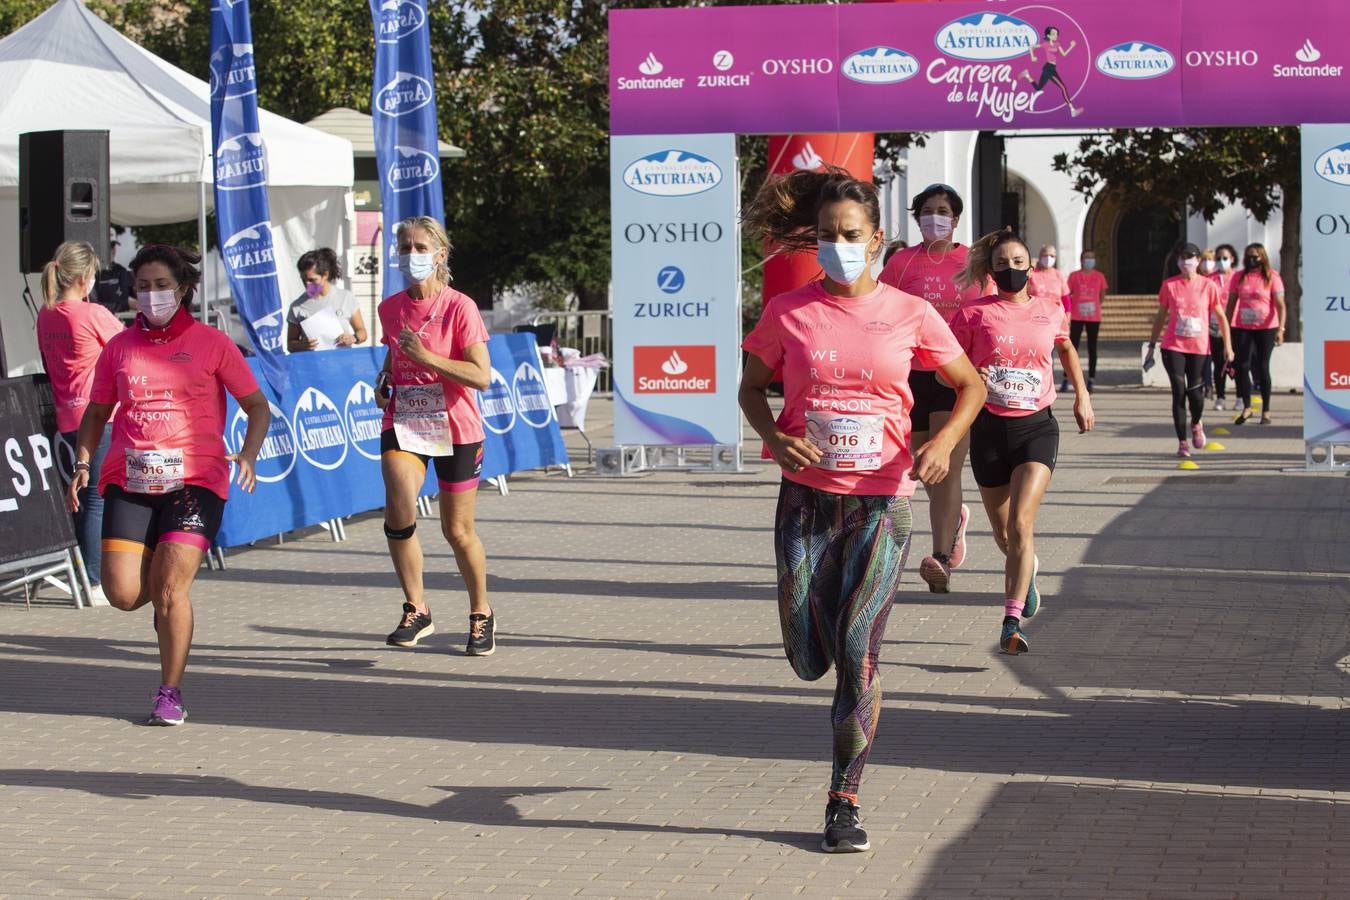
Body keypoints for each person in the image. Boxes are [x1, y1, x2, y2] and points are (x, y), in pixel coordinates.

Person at [739, 168, 986, 853]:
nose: (837, 245)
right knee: (806, 652)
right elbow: (751, 389)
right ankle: (819, 653)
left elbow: (969, 384)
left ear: (876, 240)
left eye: (850, 235)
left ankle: (843, 799)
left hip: (883, 502)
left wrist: (942, 440)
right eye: (826, 236)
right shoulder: (789, 311)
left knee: (858, 652)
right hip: (806, 504)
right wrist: (774, 435)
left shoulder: (910, 313)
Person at [67, 245, 271, 726]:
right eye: (143, 286)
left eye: (161, 286)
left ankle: (169, 691)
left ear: (182, 290)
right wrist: (82, 462)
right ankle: (158, 579)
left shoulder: (212, 343)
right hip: (131, 479)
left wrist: (248, 453)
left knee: (170, 592)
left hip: (195, 481)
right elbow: (97, 412)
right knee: (120, 593)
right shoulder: (118, 346)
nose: (151, 295)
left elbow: (257, 406)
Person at [947, 230, 1094, 656]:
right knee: (1004, 534)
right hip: (989, 431)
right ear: (990, 271)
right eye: (1001, 264)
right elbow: (948, 369)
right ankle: (1025, 574)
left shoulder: (1050, 310)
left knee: (1021, 524)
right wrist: (969, 380)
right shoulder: (972, 315)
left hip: (1036, 429)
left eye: (1018, 261)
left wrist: (1082, 396)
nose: (1010, 269)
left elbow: (1065, 349)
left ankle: (1011, 621)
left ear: (1031, 266)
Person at [375, 216, 494, 656]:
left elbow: (481, 376)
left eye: (420, 247)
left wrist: (427, 357)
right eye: (404, 246)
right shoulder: (390, 308)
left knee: (457, 531)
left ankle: (481, 612)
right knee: (399, 503)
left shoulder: (460, 307)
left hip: (457, 427)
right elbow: (394, 357)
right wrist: (384, 379)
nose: (411, 254)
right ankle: (416, 606)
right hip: (406, 421)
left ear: (440, 254)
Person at [878, 183, 985, 593]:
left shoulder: (973, 262)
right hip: (909, 377)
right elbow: (880, 308)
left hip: (955, 376)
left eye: (942, 210)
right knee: (915, 471)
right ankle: (955, 521)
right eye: (926, 210)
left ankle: (940, 559)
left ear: (955, 219)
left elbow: (986, 315)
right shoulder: (902, 263)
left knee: (946, 469)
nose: (934, 217)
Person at [36, 240, 124, 603]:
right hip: (97, 417)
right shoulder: (91, 314)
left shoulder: (47, 313)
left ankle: (87, 572)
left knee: (81, 498)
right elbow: (129, 349)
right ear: (87, 277)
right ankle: (93, 579)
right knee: (96, 499)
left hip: (65, 416)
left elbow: (45, 360)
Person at [1145, 243, 1234, 459]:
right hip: (1173, 345)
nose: (1187, 261)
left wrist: (1228, 347)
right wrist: (1151, 345)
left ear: (1198, 261)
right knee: (1178, 392)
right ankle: (1182, 442)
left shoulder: (1208, 286)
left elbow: (1221, 317)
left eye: (1191, 257)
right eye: (1183, 257)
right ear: (1178, 261)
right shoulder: (1169, 285)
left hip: (1199, 346)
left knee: (1195, 393)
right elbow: (1160, 316)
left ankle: (1196, 423)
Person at [1227, 243, 1285, 425]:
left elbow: (1281, 305)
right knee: (1242, 366)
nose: (1252, 259)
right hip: (1244, 327)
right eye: (1249, 256)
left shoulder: (1271, 276)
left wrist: (1281, 329)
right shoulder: (1238, 276)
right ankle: (1247, 407)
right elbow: (1230, 304)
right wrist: (1226, 328)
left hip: (1266, 327)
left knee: (1262, 366)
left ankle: (1266, 411)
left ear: (1263, 257)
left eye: (1255, 256)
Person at [286, 248, 367, 351]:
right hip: (311, 364)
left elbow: (362, 333)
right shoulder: (297, 307)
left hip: (342, 363)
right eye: (304, 279)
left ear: (325, 275)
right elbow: (290, 344)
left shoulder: (346, 298)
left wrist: (354, 338)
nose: (307, 284)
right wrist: (302, 345)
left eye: (312, 280)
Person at [1064, 248, 1107, 394]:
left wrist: (1094, 305)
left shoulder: (1099, 276)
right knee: (1071, 347)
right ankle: (1066, 378)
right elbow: (1067, 294)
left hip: (1093, 317)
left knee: (1092, 348)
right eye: (1087, 258)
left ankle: (1091, 379)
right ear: (1081, 260)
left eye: (1092, 258)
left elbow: (1102, 294)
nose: (1089, 260)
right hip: (1076, 316)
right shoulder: (1074, 276)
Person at [1019, 26, 1082, 117]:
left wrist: (1071, 46)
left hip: (1051, 68)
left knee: (1038, 88)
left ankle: (1027, 75)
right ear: (1048, 35)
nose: (1056, 35)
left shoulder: (1058, 44)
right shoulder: (1045, 44)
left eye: (1056, 34)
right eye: (1053, 34)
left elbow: (1064, 54)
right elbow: (1031, 46)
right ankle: (1072, 110)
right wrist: (1032, 56)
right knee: (1063, 87)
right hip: (1048, 69)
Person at [92, 235, 134, 314]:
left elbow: (129, 295)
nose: (112, 249)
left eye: (113, 245)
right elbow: (93, 305)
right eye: (109, 246)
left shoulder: (121, 270)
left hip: (120, 322)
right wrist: (126, 305)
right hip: (99, 320)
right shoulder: (91, 272)